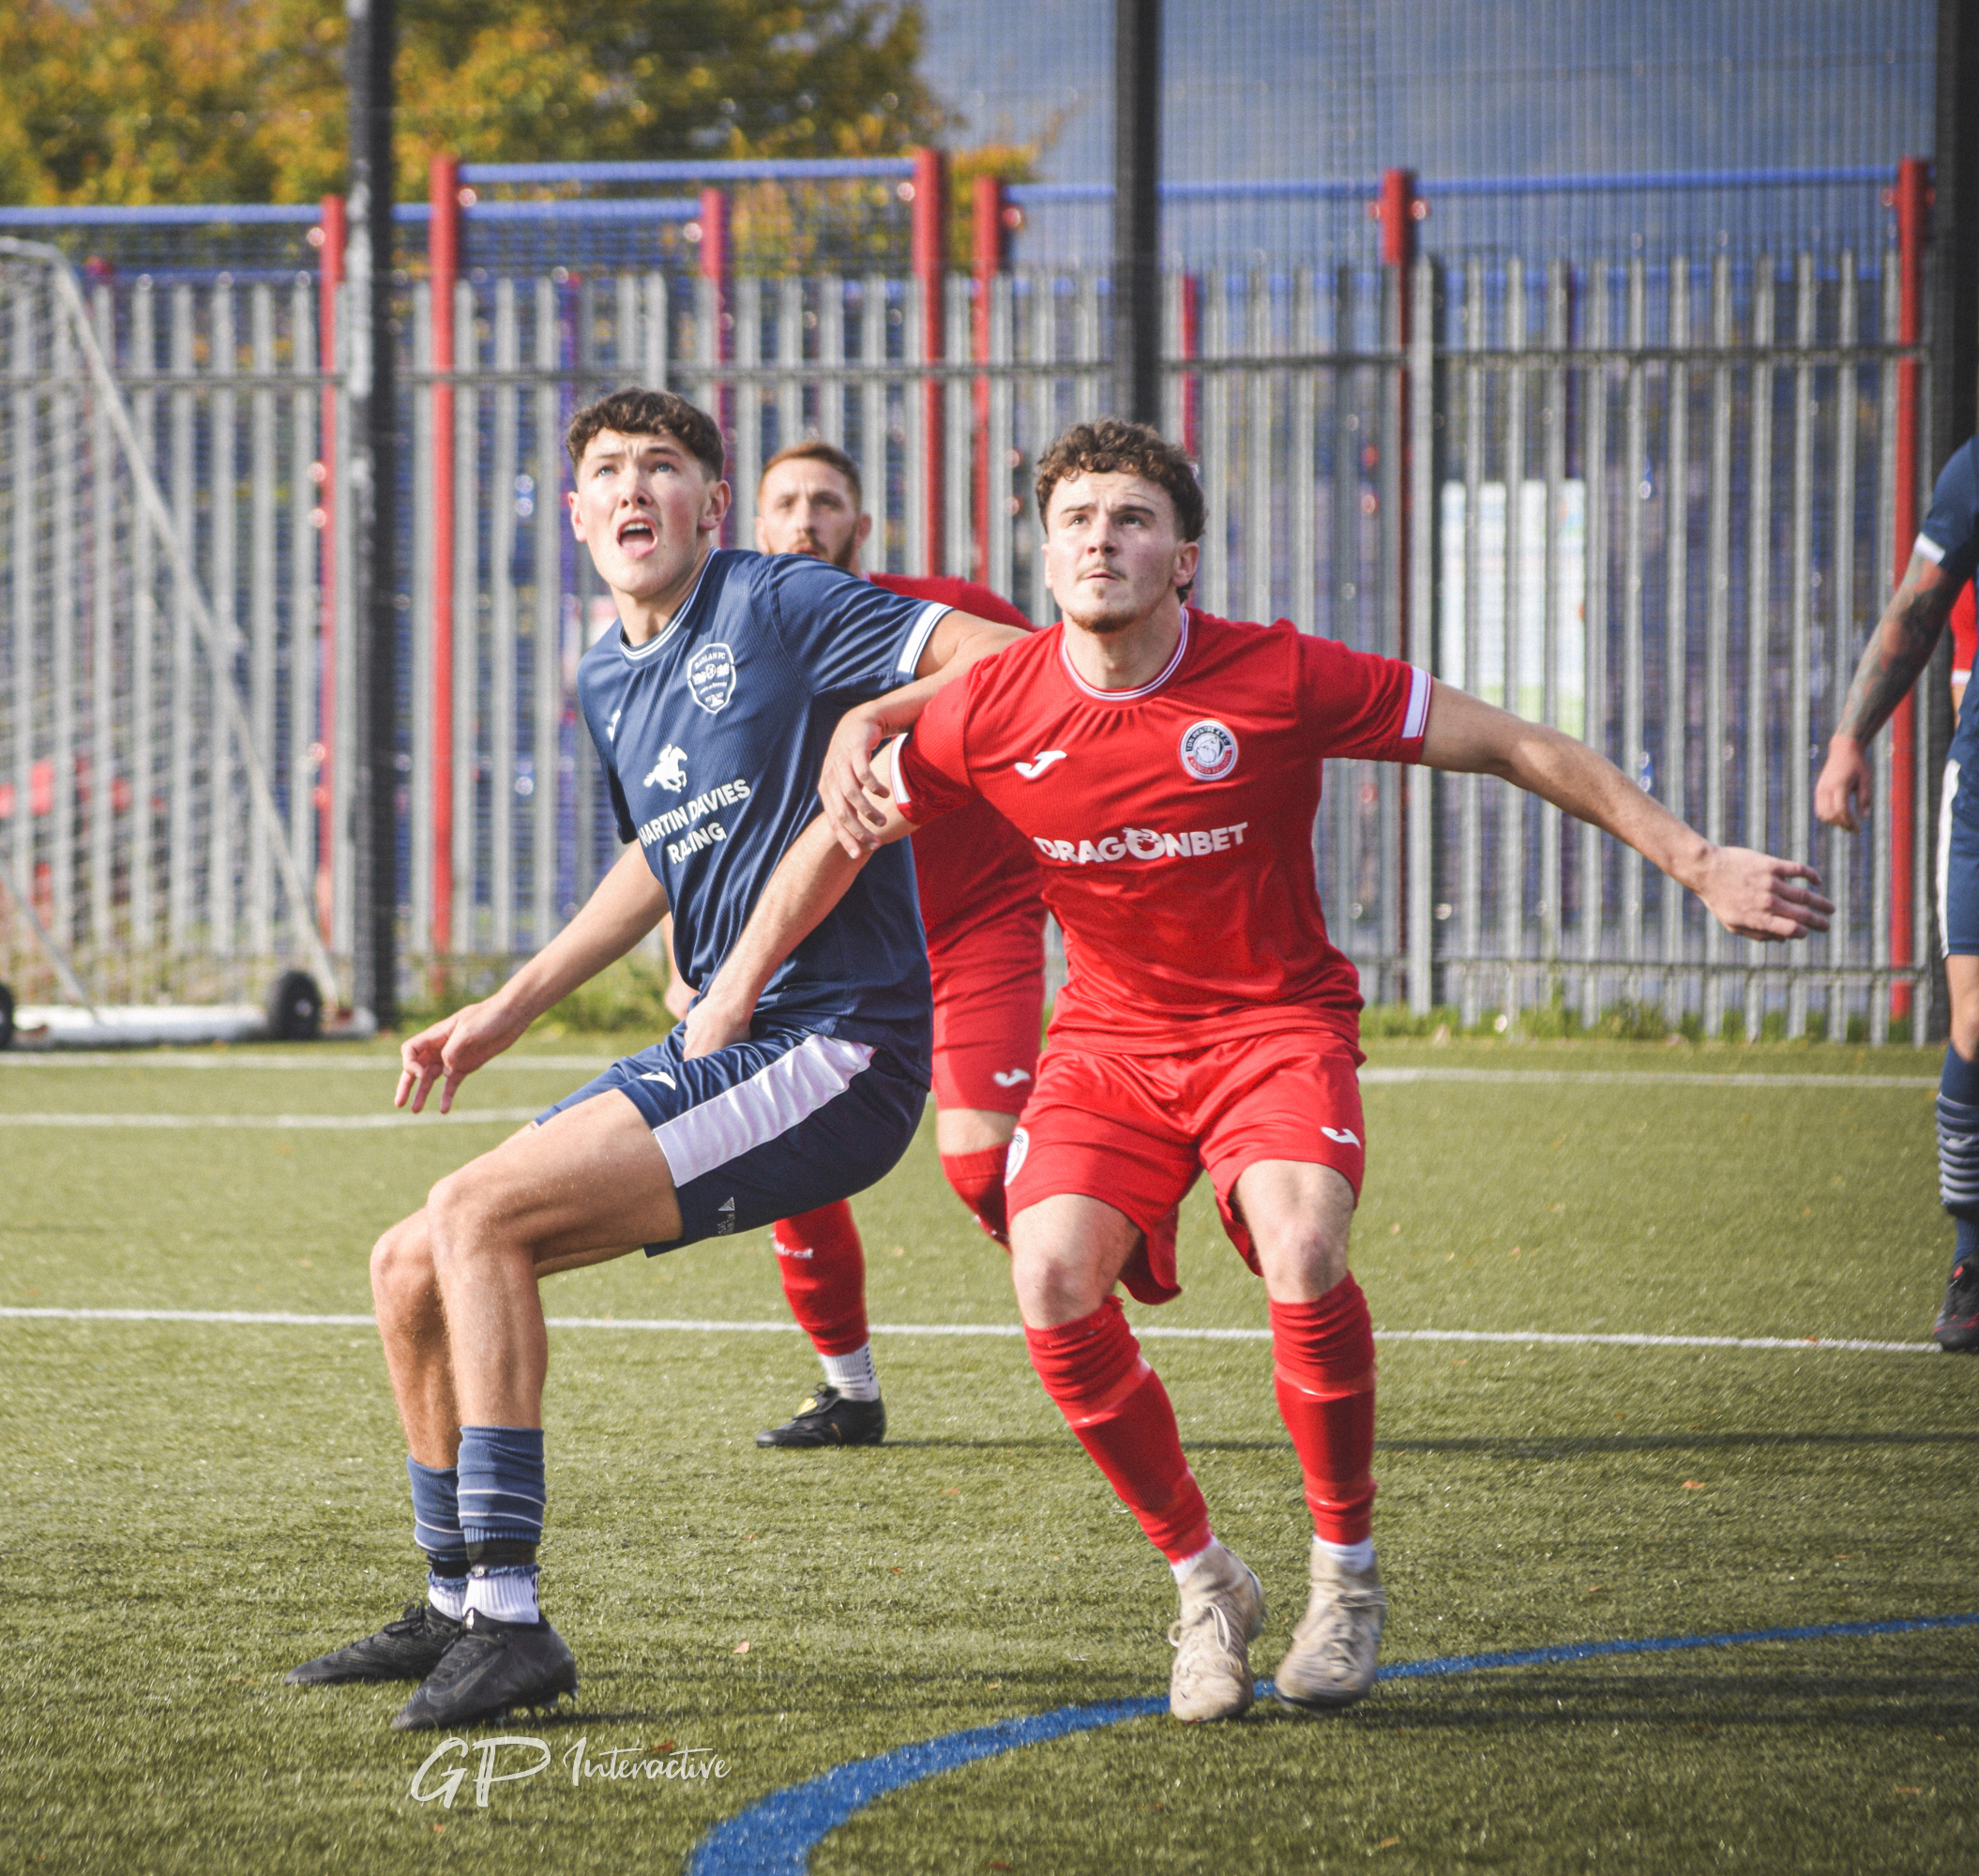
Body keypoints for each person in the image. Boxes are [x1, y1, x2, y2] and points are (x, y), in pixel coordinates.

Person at [821, 418, 1833, 1724]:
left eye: (1131, 518)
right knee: (1050, 1273)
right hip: (1109, 1045)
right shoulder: (998, 702)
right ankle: (1204, 1583)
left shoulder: (1282, 676)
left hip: (1274, 1025)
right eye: (1075, 519)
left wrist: (1696, 862)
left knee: (1301, 1251)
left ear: (1183, 555)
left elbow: (1518, 743)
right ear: (1045, 548)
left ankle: (1343, 1578)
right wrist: (735, 983)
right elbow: (838, 837)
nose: (1101, 540)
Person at [282, 388, 1023, 1731]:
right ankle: (454, 1598)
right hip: (729, 1031)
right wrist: (509, 1004)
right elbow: (658, 854)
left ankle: (512, 1622)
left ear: (710, 507)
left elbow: (1013, 661)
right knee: (410, 1264)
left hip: (840, 1040)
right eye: (608, 472)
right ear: (574, 516)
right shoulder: (607, 669)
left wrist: (875, 724)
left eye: (663, 468)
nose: (633, 491)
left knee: (478, 1218)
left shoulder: (784, 603)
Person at [664, 439, 1045, 1450]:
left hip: (975, 921)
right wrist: (686, 954)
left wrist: (878, 711)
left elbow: (1045, 673)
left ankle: (1092, 1275)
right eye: (785, 502)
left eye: (825, 502)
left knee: (980, 1168)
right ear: (751, 524)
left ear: (859, 529)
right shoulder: (727, 644)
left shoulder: (935, 611)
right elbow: (693, 814)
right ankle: (850, 1390)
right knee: (795, 1161)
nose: (804, 519)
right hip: (827, 943)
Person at [1814, 433, 1979, 1353]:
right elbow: (1916, 612)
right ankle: (1972, 1254)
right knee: (1977, 1019)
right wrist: (1849, 740)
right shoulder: (1974, 470)